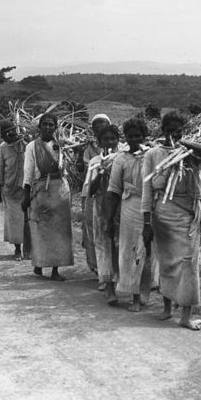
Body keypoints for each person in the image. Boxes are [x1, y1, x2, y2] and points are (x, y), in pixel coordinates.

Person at [141, 110, 201, 329]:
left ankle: (186, 315)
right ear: (162, 131)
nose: (174, 135)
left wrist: (187, 145)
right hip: (163, 214)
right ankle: (166, 309)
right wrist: (146, 222)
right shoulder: (153, 154)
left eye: (179, 131)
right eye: (170, 131)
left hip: (189, 214)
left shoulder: (192, 152)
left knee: (188, 263)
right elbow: (147, 190)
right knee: (166, 262)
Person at [105, 118, 153, 312]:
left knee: (148, 251)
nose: (135, 139)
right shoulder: (121, 158)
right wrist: (109, 219)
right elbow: (113, 190)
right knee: (131, 251)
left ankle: (144, 293)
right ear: (126, 137)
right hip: (129, 206)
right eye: (131, 136)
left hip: (149, 207)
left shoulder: (151, 155)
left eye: (138, 136)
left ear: (144, 136)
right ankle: (133, 297)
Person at [22, 113, 73, 281]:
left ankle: (55, 269)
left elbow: (64, 169)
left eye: (51, 125)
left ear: (56, 127)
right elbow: (28, 171)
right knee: (40, 228)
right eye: (45, 124)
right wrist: (26, 194)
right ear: (39, 127)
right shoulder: (31, 146)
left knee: (59, 230)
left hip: (59, 191)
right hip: (40, 190)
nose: (48, 127)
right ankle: (39, 262)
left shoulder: (61, 145)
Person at [84, 124, 121, 304]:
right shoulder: (94, 161)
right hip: (100, 207)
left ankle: (122, 283)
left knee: (120, 245)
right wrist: (100, 172)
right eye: (106, 139)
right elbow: (90, 190)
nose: (110, 142)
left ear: (118, 140)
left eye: (113, 139)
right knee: (104, 246)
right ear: (99, 142)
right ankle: (109, 287)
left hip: (120, 208)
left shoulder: (122, 159)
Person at [81, 114, 111, 278]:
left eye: (103, 124)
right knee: (92, 228)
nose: (100, 127)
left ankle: (111, 268)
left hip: (112, 193)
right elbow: (86, 167)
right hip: (92, 190)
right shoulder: (89, 148)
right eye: (96, 125)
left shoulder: (117, 145)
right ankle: (97, 266)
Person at [0, 120, 26, 260]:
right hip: (9, 189)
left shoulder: (25, 144)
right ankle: (18, 249)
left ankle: (30, 248)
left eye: (9, 133)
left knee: (28, 219)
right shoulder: (2, 147)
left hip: (26, 189)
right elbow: (0, 169)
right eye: (3, 135)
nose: (7, 137)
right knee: (14, 221)